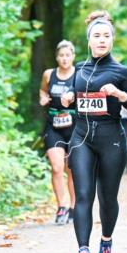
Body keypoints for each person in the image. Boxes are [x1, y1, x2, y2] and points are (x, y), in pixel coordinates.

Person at [61, 10, 127, 253]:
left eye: (106, 36)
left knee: (108, 198)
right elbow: (74, 93)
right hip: (81, 137)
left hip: (111, 139)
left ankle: (105, 241)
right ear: (88, 40)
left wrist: (119, 94)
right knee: (83, 195)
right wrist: (67, 98)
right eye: (97, 36)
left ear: (112, 40)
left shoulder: (121, 71)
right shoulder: (79, 69)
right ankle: (83, 251)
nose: (102, 40)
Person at [39, 41, 77, 225]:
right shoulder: (49, 74)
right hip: (53, 126)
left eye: (67, 55)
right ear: (57, 57)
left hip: (74, 127)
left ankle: (74, 207)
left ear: (73, 57)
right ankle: (62, 206)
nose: (64, 59)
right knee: (57, 167)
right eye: (61, 55)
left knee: (72, 170)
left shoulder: (79, 75)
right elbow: (43, 90)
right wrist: (43, 97)